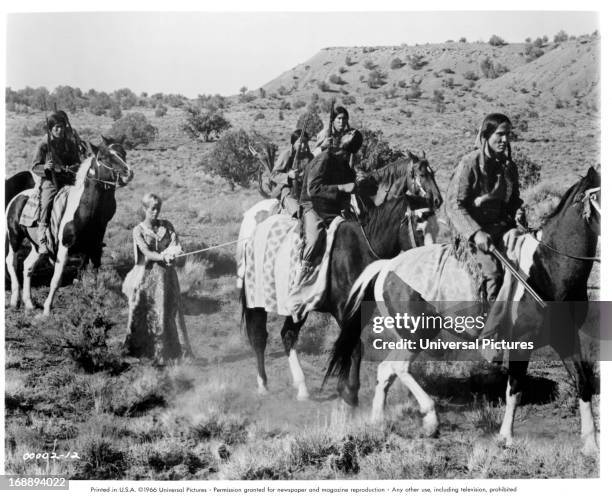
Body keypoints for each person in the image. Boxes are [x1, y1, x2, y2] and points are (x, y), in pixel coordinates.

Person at [445, 113, 525, 302]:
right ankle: (489, 326)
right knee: (493, 275)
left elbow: (514, 201)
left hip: (501, 229)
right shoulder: (469, 164)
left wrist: (518, 213)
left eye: (508, 135)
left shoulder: (508, 167)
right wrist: (476, 233)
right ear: (486, 136)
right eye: (500, 134)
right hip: (471, 236)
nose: (505, 140)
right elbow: (454, 205)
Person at [122, 193, 193, 365]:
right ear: (144, 209)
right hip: (148, 280)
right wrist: (162, 257)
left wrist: (174, 252)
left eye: (158, 208)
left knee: (171, 312)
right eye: (152, 209)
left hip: (168, 278)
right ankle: (154, 354)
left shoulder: (167, 226)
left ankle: (175, 352)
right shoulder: (138, 230)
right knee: (153, 313)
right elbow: (145, 252)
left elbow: (176, 244)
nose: (156, 212)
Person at [296, 129, 363, 285]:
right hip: (312, 206)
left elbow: (347, 192)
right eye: (344, 151)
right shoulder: (324, 159)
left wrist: (346, 206)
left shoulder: (346, 166)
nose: (345, 156)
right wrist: (340, 187)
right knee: (315, 238)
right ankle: (300, 278)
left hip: (331, 209)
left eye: (348, 153)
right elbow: (313, 189)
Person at [31, 110, 83, 254]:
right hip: (50, 181)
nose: (60, 130)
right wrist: (45, 167)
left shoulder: (69, 144)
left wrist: (70, 168)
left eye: (62, 127)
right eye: (56, 128)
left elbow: (77, 162)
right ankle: (42, 237)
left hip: (68, 180)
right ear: (50, 129)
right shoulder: (43, 145)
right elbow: (34, 167)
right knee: (46, 204)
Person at [270, 129, 313, 217]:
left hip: (306, 191)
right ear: (293, 144)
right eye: (300, 143)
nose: (303, 145)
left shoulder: (310, 157)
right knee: (296, 212)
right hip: (289, 191)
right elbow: (273, 175)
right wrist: (289, 176)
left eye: (305, 142)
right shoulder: (286, 154)